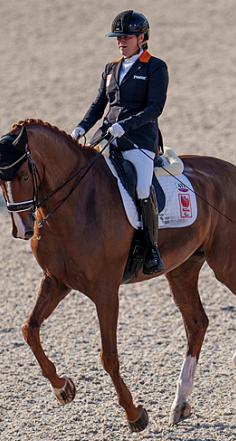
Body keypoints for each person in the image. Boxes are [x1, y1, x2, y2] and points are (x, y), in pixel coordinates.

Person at [71, 10, 168, 275]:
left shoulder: (155, 67)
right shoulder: (111, 69)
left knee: (142, 189)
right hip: (106, 136)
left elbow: (154, 108)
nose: (120, 42)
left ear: (141, 37)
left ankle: (150, 249)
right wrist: (81, 126)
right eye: (118, 38)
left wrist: (125, 126)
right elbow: (98, 104)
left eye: (126, 37)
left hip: (139, 140)